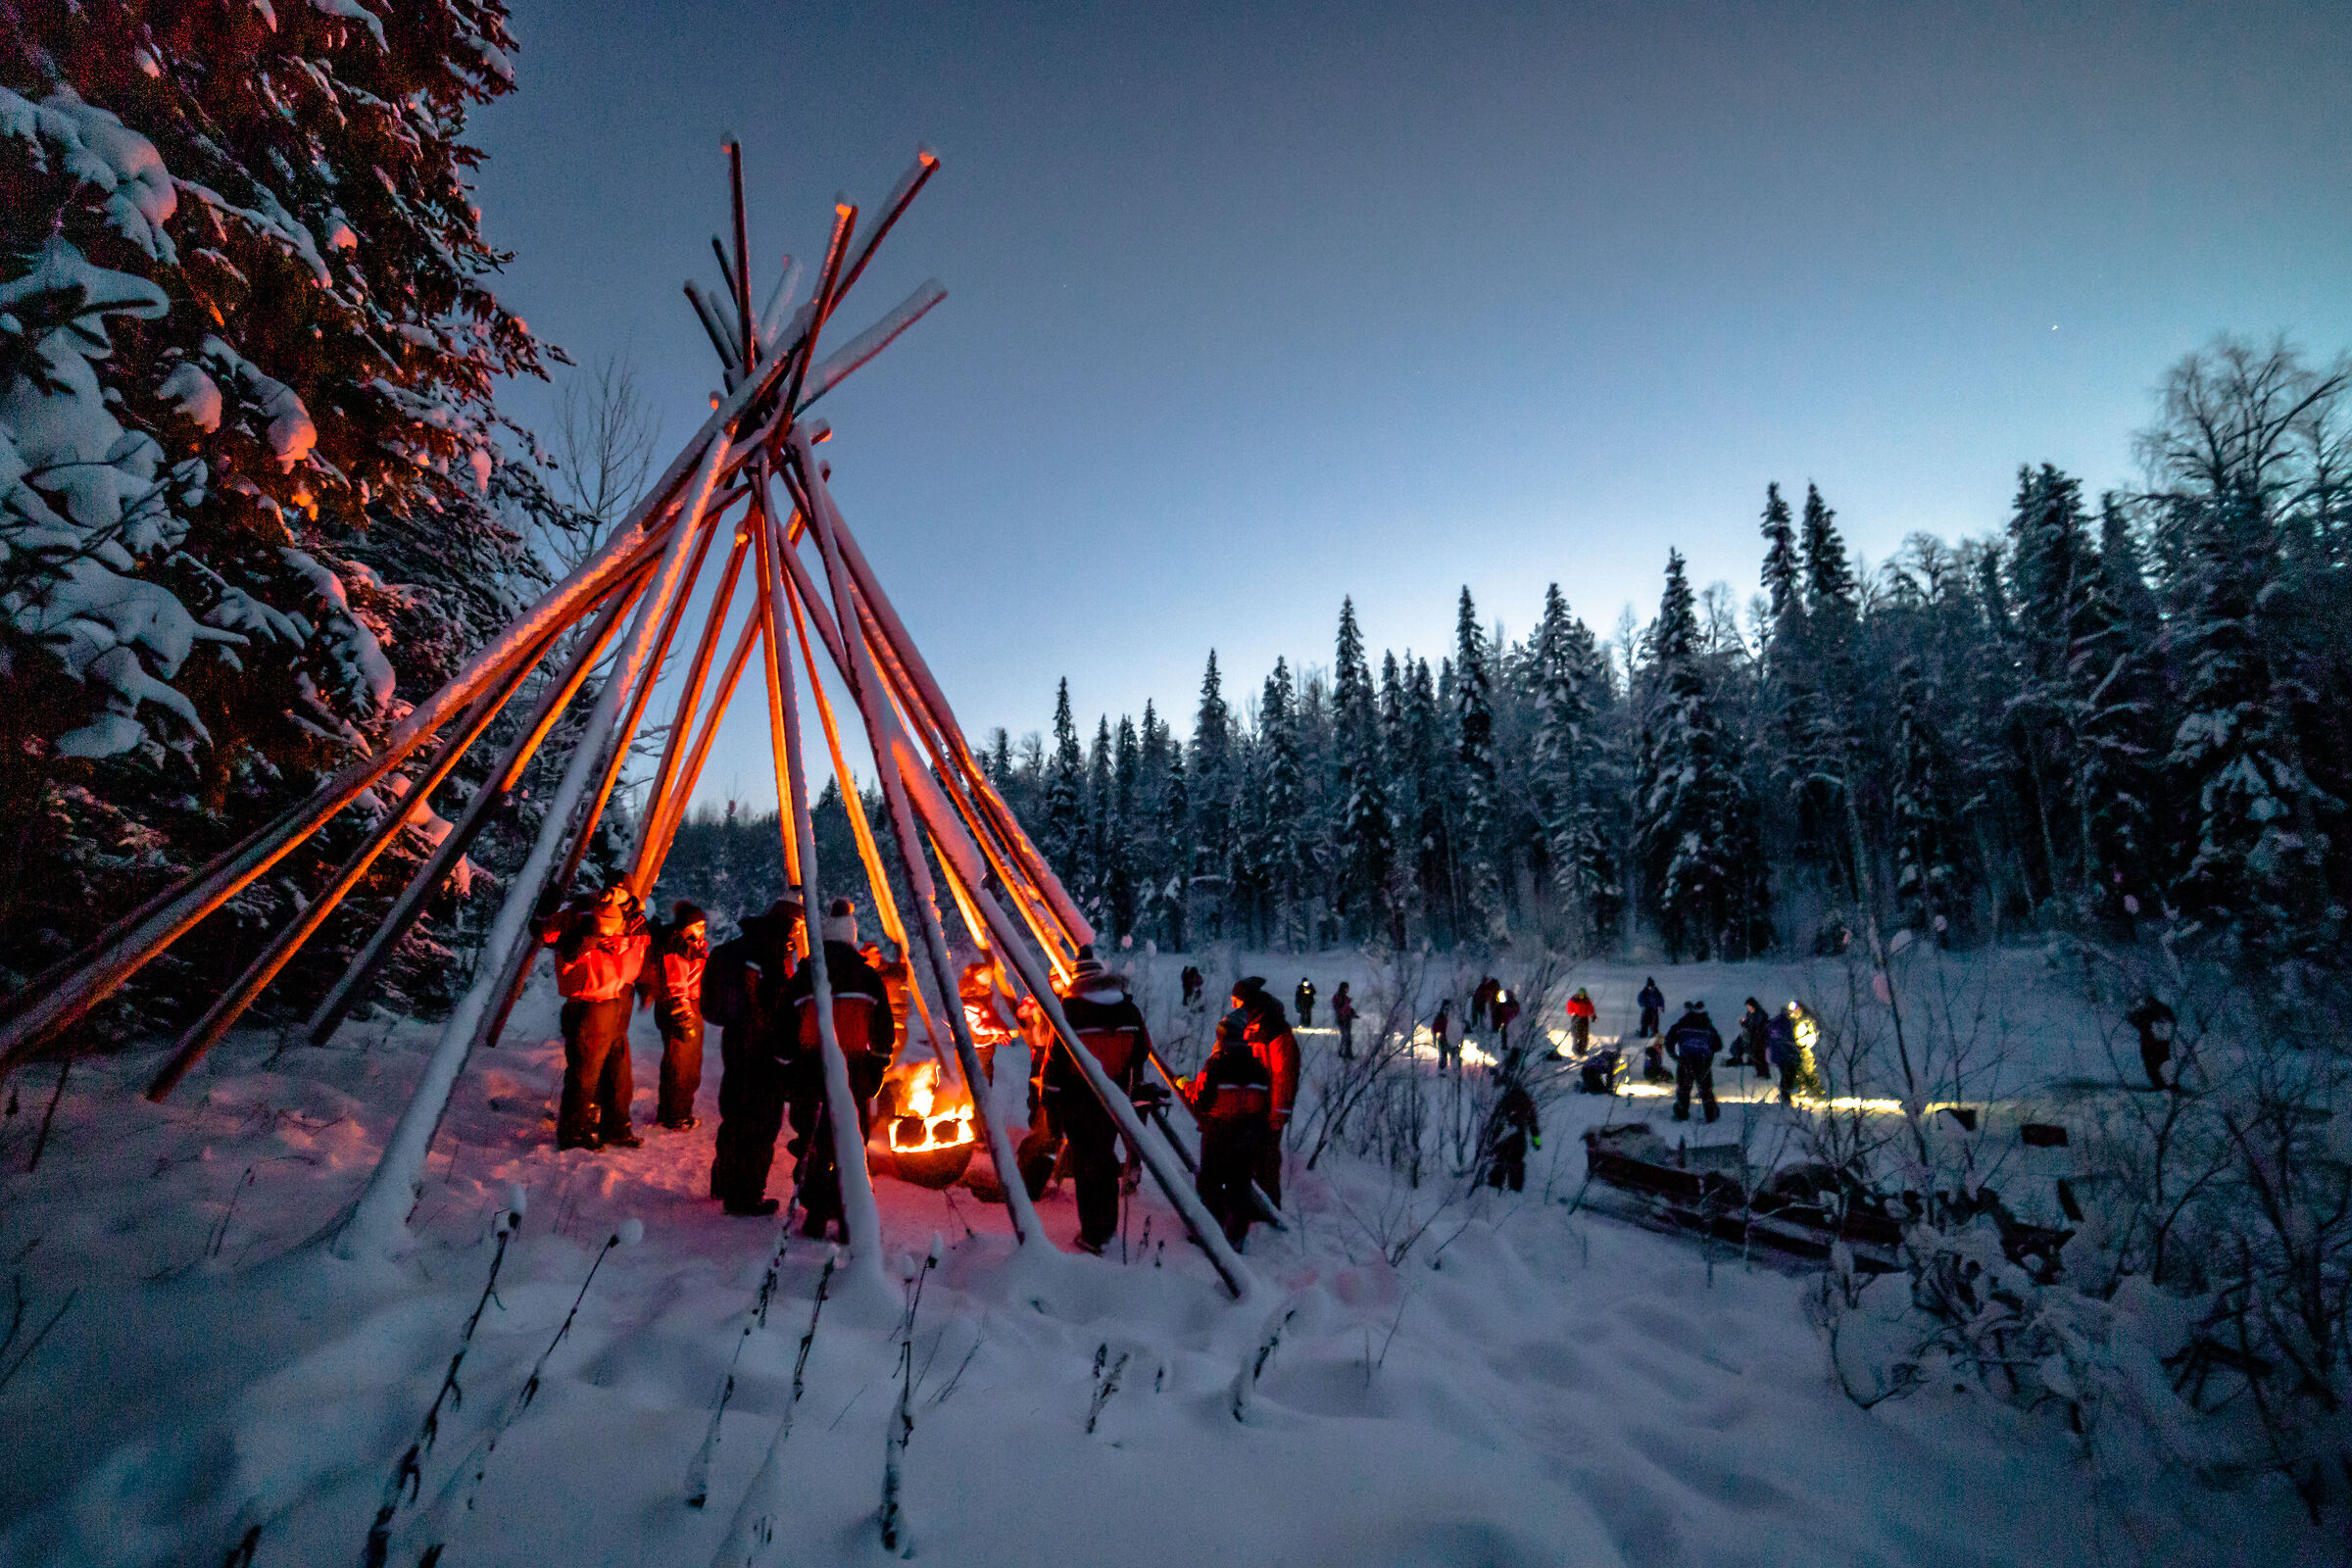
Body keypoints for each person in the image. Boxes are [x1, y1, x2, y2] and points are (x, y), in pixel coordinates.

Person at [782, 899, 896, 1241]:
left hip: (809, 1070)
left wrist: (786, 1066)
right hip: (853, 1070)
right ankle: (850, 1217)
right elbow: (883, 1029)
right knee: (851, 1145)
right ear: (850, 939)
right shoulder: (868, 978)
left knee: (813, 1142)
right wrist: (876, 1065)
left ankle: (816, 1213)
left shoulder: (805, 977)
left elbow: (786, 1027)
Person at [1049, 950, 1151, 1254]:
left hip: (1079, 1102)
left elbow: (1055, 1062)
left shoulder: (1071, 1011)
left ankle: (1093, 1235)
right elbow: (1140, 1053)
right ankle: (1107, 1227)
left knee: (1087, 1166)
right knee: (1105, 1159)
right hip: (1114, 1099)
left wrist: (1051, 1106)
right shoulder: (1129, 1012)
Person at [705, 898, 801, 1215]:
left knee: (734, 1113)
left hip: (734, 1040)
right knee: (761, 1122)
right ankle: (745, 1196)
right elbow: (776, 1005)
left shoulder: (738, 947)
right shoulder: (771, 954)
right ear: (790, 926)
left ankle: (723, 1180)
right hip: (761, 1047)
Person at [546, 882, 651, 1152]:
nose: (619, 929)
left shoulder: (617, 940)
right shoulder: (580, 937)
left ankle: (614, 1126)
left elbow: (630, 971)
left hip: (609, 1006)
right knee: (584, 1074)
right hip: (588, 1007)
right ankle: (574, 1133)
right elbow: (556, 943)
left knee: (614, 1068)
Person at [1190, 1008, 1273, 1250]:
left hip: (1218, 1133)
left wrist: (1186, 1086)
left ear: (1222, 1037)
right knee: (1240, 1184)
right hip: (1248, 1135)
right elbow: (1265, 1105)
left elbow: (1202, 1100)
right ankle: (1236, 1236)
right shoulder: (1259, 1068)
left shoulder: (1216, 1065)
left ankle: (1211, 1233)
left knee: (1211, 1183)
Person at [1230, 977, 1300, 1207]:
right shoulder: (1248, 1024)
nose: (1233, 1005)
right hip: (1251, 1108)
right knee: (1249, 1159)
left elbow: (1284, 1072)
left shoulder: (1273, 1028)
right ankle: (1252, 1208)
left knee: (1266, 1162)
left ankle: (1271, 1211)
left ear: (1247, 1000)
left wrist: (1279, 1111)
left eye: (1236, 1000)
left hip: (1268, 1110)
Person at [638, 901, 709, 1130]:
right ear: (688, 926)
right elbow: (675, 980)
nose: (703, 928)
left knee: (689, 1064)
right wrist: (683, 1012)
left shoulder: (694, 945)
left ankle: (682, 1111)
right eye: (699, 924)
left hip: (691, 1005)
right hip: (679, 1008)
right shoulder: (678, 945)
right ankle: (672, 1114)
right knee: (678, 1063)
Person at [1666, 999, 1723, 1124]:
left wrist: (1674, 1056)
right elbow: (1718, 1044)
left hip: (1686, 1061)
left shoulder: (1682, 1025)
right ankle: (1711, 1115)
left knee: (1684, 1089)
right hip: (1704, 1062)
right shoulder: (1708, 1025)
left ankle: (1682, 1114)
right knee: (1706, 1090)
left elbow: (1669, 1040)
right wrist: (1708, 1052)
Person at [1485, 1076, 1540, 1192]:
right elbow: (1532, 1123)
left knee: (1501, 1161)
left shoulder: (1503, 1097)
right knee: (1514, 1163)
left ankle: (1496, 1187)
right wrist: (1536, 1141)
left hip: (1505, 1136)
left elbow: (1492, 1118)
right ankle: (1513, 1190)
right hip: (1515, 1137)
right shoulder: (1524, 1099)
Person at [2127, 994, 2178, 1092]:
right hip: (2150, 1042)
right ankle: (2162, 1085)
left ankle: (2166, 1085)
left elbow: (2170, 1022)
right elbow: (2133, 1021)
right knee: (2153, 1065)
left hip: (2158, 1043)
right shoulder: (2147, 1012)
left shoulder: (2159, 1011)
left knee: (2159, 1064)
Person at [1767, 1004, 1801, 1106]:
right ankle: (1785, 1097)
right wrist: (1795, 1050)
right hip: (1786, 1054)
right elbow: (1788, 1039)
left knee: (1785, 1075)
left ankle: (1785, 1096)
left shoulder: (1775, 1023)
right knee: (1789, 1075)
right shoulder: (1785, 1022)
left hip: (1778, 1054)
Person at [1735, 997, 1769, 1071]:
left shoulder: (1760, 1013)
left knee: (1759, 1055)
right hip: (1750, 1037)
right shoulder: (1749, 1014)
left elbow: (1757, 1025)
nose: (1748, 1008)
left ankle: (1763, 1072)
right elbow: (1748, 1024)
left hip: (1759, 1038)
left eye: (1749, 1006)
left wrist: (1747, 1025)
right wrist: (1743, 1023)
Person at [1564, 987, 1595, 1054]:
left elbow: (1590, 1009)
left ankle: (1582, 1050)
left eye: (1583, 994)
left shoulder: (1587, 1001)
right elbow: (1569, 1008)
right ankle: (1576, 1050)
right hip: (1576, 1018)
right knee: (1577, 1035)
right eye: (1581, 994)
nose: (1582, 996)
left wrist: (1593, 1015)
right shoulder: (1573, 1000)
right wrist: (1573, 1013)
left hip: (1584, 1019)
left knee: (1584, 1035)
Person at [1491, 987, 1521, 1054]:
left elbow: (1507, 1014)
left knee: (1507, 1039)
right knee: (1506, 1039)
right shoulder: (1508, 1005)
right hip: (1510, 1025)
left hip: (1510, 1025)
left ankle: (1507, 1051)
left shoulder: (1506, 1006)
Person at [1431, 999, 1457, 1074]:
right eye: (1446, 1008)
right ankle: (1443, 1071)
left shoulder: (1453, 1015)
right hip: (1445, 1039)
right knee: (1445, 1056)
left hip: (1451, 1039)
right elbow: (1435, 1028)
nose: (1447, 1010)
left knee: (1453, 1056)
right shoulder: (1441, 1017)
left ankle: (1453, 1072)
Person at [1332, 981, 1357, 1058]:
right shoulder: (1337, 997)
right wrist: (1346, 1004)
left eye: (1347, 988)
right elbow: (1338, 1008)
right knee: (1346, 1037)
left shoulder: (1345, 997)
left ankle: (1346, 1052)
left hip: (1347, 1019)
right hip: (1342, 1019)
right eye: (1346, 988)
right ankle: (1345, 1053)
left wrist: (1352, 1013)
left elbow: (1347, 1008)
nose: (1347, 990)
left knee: (1347, 1037)